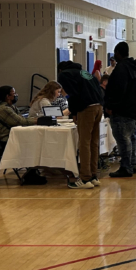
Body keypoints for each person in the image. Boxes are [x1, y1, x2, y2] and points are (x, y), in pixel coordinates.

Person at [58, 60, 105, 189]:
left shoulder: (65, 75)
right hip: (99, 107)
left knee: (84, 143)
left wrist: (74, 112)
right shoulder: (85, 72)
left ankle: (85, 178)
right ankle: (93, 175)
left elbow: (73, 94)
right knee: (93, 142)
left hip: (86, 108)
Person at [104, 41, 136, 177]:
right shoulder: (134, 67)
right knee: (132, 137)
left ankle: (126, 166)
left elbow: (117, 91)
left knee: (123, 138)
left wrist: (110, 106)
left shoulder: (121, 69)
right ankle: (133, 163)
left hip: (123, 109)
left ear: (117, 53)